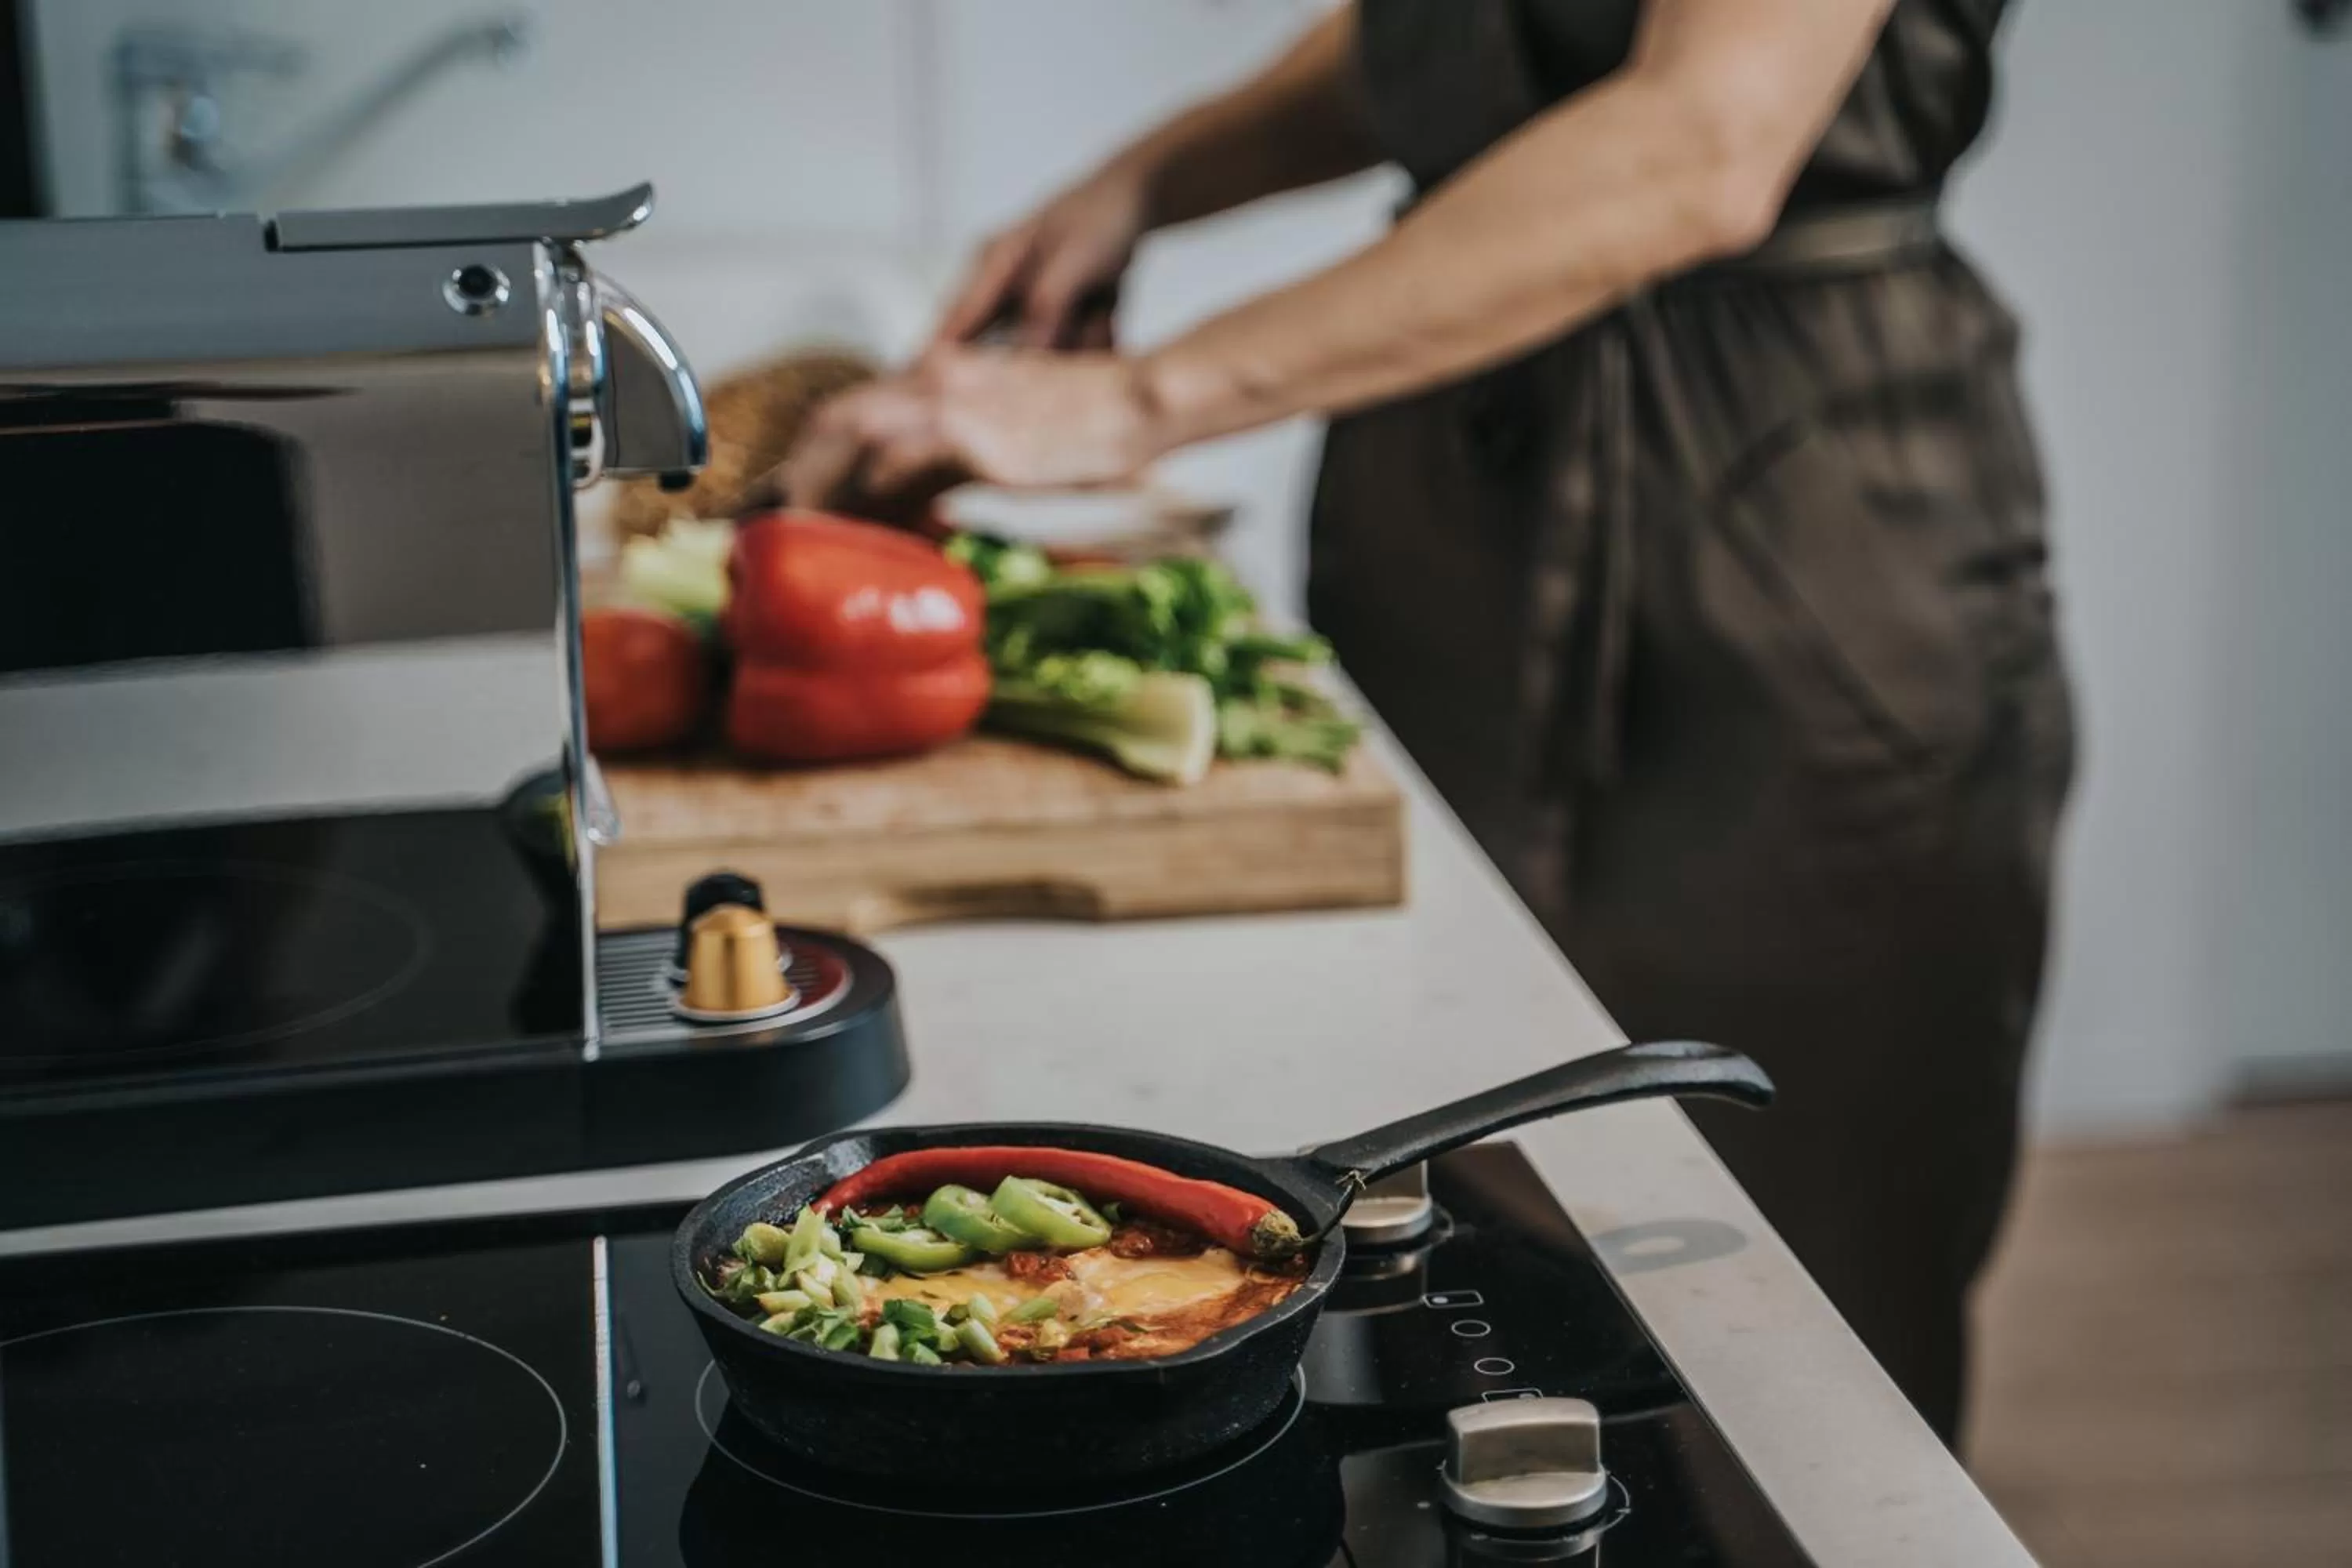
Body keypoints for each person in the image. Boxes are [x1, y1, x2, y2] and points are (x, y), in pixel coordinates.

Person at [779, 0, 2074, 1449]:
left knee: (1808, 1286)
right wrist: (1146, 181)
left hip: (1780, 543)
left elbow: (1700, 142)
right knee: (1445, 1210)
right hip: (1452, 522)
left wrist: (1136, 401)